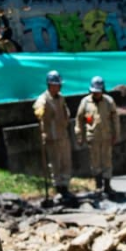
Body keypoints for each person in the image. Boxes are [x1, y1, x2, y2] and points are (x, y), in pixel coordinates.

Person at [75, 76, 120, 195]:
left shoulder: (109, 101)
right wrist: (79, 135)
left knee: (107, 161)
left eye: (98, 92)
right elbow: (79, 119)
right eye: (94, 92)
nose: (96, 94)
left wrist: (116, 134)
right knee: (95, 161)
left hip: (106, 136)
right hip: (93, 137)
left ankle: (107, 185)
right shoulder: (85, 102)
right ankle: (98, 185)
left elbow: (115, 119)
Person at [33, 70, 74, 200]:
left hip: (63, 135)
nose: (58, 87)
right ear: (50, 85)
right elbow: (38, 108)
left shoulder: (61, 98)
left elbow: (65, 113)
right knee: (55, 163)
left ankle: (65, 186)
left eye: (59, 85)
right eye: (56, 85)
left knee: (65, 162)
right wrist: (39, 111)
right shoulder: (43, 99)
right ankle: (58, 188)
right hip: (51, 137)